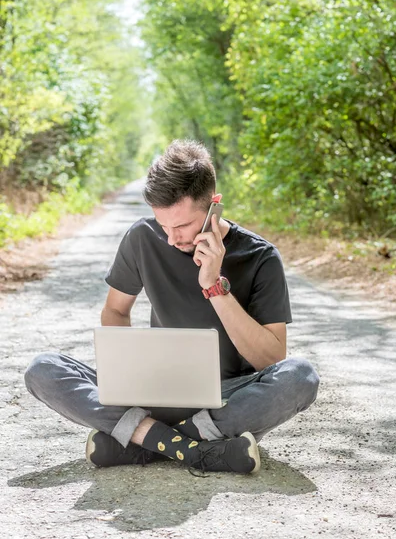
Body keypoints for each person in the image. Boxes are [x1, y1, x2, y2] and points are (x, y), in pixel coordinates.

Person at [24, 140, 320, 476]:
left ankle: (142, 441)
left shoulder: (260, 257)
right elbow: (116, 311)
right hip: (151, 393)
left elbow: (271, 359)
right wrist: (127, 371)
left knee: (301, 376)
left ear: (214, 207)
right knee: (43, 369)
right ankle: (196, 449)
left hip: (224, 401)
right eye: (163, 225)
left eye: (181, 226)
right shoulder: (141, 237)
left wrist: (214, 286)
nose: (170, 238)